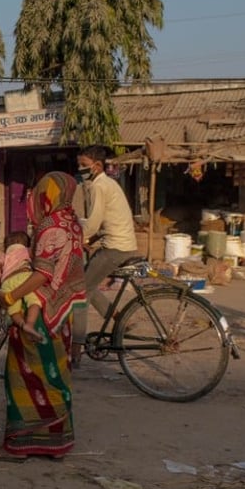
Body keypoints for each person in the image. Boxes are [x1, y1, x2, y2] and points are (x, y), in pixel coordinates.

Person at [0, 172, 86, 463]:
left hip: (39, 313)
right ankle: (55, 443)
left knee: (22, 377)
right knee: (55, 377)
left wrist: (12, 297)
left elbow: (42, 275)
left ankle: (19, 445)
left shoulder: (50, 226)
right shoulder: (73, 223)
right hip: (63, 314)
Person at [72, 145, 139, 364]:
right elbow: (107, 221)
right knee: (87, 283)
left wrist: (77, 236)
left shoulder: (98, 186)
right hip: (121, 243)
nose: (80, 169)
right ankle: (119, 319)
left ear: (97, 166)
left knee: (79, 293)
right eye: (79, 165)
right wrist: (89, 239)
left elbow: (93, 222)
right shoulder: (108, 183)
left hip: (115, 248)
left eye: (84, 165)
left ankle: (76, 349)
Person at [0, 231, 44, 343]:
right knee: (34, 301)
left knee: (13, 310)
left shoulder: (4, 256)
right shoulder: (26, 251)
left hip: (8, 282)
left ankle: (22, 324)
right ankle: (30, 324)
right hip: (24, 276)